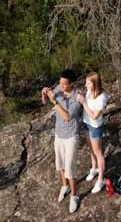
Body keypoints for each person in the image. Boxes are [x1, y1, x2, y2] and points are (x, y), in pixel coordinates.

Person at [42, 70, 86, 213]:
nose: (60, 86)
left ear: (71, 84)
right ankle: (65, 186)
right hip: (59, 134)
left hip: (71, 136)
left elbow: (67, 116)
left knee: (70, 168)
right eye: (59, 83)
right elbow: (44, 103)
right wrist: (44, 94)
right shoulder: (58, 88)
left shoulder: (77, 98)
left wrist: (55, 101)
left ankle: (74, 196)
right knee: (60, 164)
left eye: (63, 84)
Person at [80, 72, 112, 195]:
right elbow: (87, 109)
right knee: (91, 148)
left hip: (95, 126)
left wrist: (83, 102)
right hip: (86, 123)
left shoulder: (102, 97)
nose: (85, 85)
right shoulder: (89, 91)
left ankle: (101, 179)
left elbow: (94, 116)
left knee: (98, 152)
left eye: (88, 83)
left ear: (95, 84)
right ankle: (94, 168)